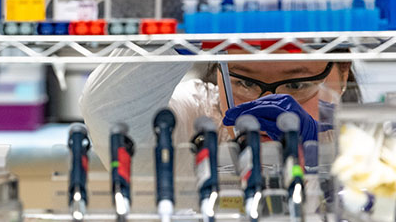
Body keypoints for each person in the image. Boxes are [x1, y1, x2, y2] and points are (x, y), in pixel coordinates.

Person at [79, 43, 353, 174]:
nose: (264, 105)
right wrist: (187, 32)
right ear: (218, 71)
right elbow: (107, 112)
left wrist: (319, 156)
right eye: (244, 82)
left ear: (343, 75)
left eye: (296, 84)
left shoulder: (372, 139)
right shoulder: (197, 117)